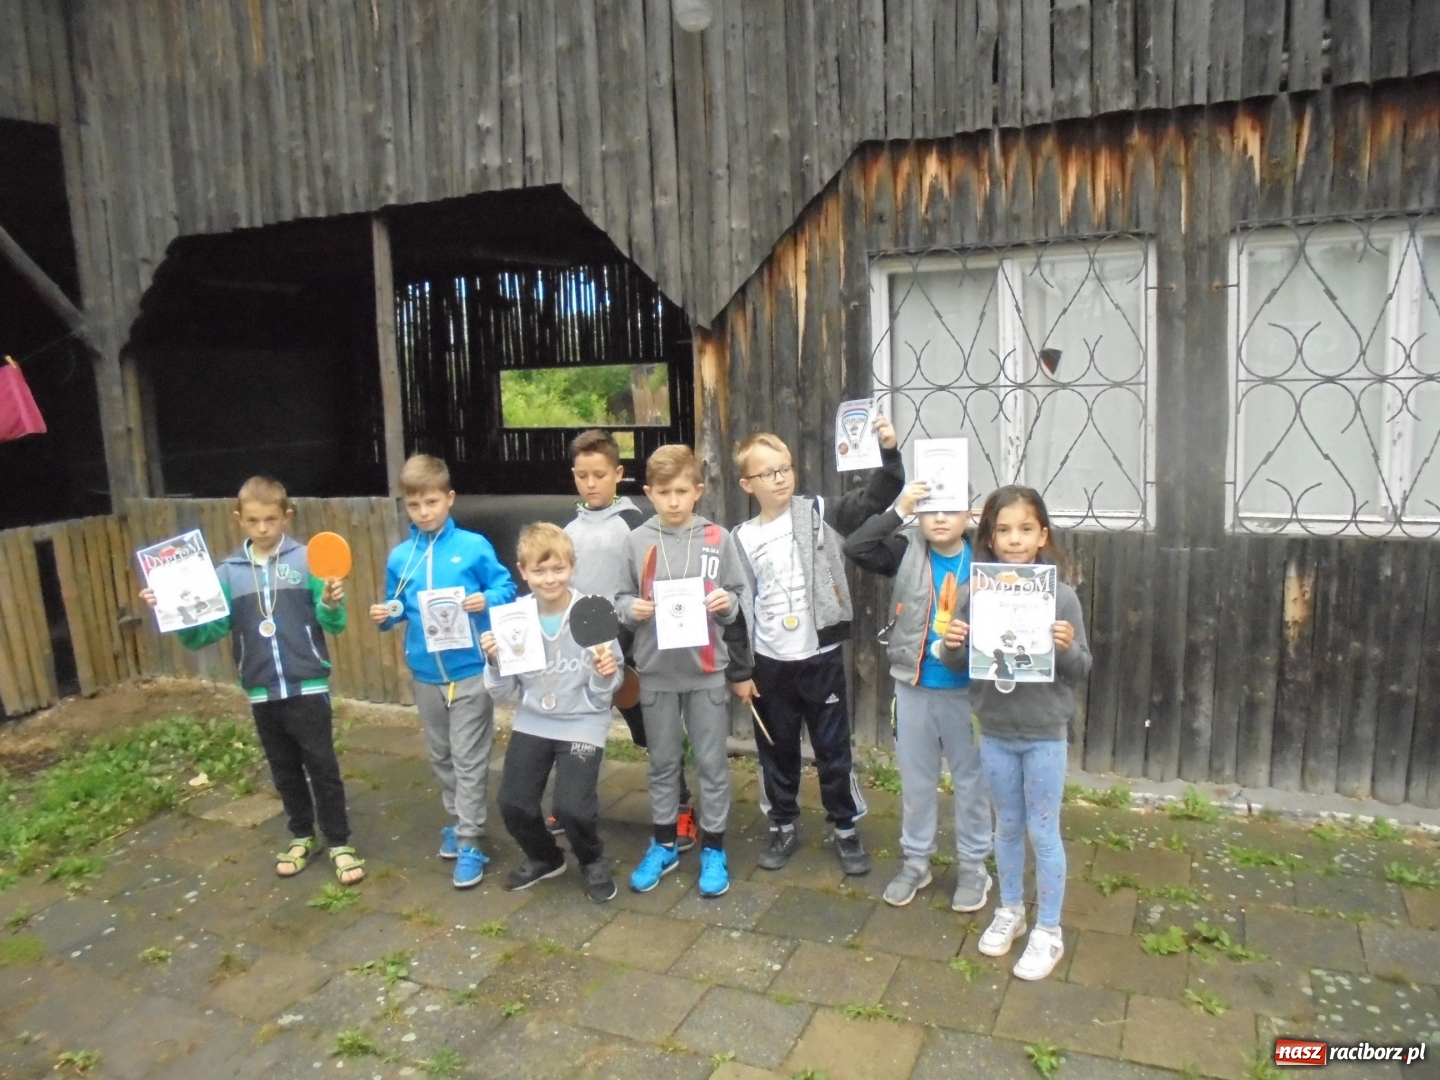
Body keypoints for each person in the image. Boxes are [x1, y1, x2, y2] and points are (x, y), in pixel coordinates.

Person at [139, 477, 363, 886]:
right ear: (239, 519)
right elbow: (208, 631)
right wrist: (171, 613)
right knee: (283, 770)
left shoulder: (308, 561)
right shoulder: (225, 573)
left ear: (286, 517)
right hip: (261, 690)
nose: (263, 528)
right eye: (255, 520)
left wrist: (331, 603)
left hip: (308, 686)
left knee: (323, 767)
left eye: (272, 519)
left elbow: (334, 621)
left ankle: (339, 842)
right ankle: (300, 836)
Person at [729, 418, 904, 876]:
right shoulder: (740, 539)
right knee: (777, 749)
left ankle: (845, 828)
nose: (781, 477)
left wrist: (889, 452)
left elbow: (873, 501)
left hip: (819, 657)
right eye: (768, 473)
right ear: (748, 484)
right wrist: (742, 671)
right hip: (769, 663)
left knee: (832, 749)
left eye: (785, 467)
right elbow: (738, 607)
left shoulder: (818, 512)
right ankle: (782, 824)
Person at [960, 485, 1091, 981]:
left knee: (1043, 829)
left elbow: (1081, 669)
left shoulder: (1060, 597)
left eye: (1025, 529)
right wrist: (953, 643)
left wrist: (1065, 646)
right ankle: (1011, 909)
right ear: (990, 539)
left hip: (1043, 735)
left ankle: (1050, 929)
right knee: (1007, 825)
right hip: (994, 730)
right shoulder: (977, 594)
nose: (1014, 540)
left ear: (1042, 536)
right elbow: (960, 662)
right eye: (1003, 530)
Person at [843, 478, 993, 910]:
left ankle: (972, 867)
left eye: (951, 508)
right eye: (930, 509)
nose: (940, 517)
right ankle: (915, 861)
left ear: (970, 513)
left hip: (969, 693)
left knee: (972, 782)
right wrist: (899, 506)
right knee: (917, 782)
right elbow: (857, 548)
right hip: (914, 687)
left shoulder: (987, 558)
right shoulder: (906, 549)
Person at [370, 454, 516, 890]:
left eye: (432, 502)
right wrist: (384, 615)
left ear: (449, 499)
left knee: (469, 757)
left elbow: (506, 586)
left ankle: (470, 839)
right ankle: (458, 819)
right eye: (415, 506)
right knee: (441, 756)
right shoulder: (401, 557)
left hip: (471, 670)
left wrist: (485, 600)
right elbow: (395, 608)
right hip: (425, 674)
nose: (424, 512)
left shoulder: (472, 547)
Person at [615, 444, 747, 898]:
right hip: (655, 672)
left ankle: (714, 847)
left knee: (712, 762)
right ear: (649, 493)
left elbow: (738, 594)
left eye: (681, 491)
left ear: (698, 491)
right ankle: (665, 842)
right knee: (662, 762)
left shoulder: (718, 538)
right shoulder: (635, 541)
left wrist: (727, 604)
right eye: (664, 492)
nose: (673, 501)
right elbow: (619, 598)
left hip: (706, 670)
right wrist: (630, 608)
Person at [563, 429, 696, 850]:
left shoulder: (636, 524)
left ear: (618, 473)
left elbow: (652, 587)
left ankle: (680, 808)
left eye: (599, 474)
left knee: (652, 736)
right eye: (583, 475)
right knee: (577, 733)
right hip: (584, 654)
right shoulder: (568, 529)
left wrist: (621, 639)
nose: (591, 483)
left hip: (634, 653)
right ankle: (571, 805)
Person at [481, 524, 623, 902]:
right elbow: (505, 693)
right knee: (512, 803)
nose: (549, 579)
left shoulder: (592, 611)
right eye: (539, 571)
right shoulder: (514, 618)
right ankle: (545, 857)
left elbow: (604, 693)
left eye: (558, 569)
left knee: (573, 808)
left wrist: (604, 673)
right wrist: (494, 662)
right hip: (534, 720)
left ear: (572, 567)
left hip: (582, 720)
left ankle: (592, 860)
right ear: (523, 571)